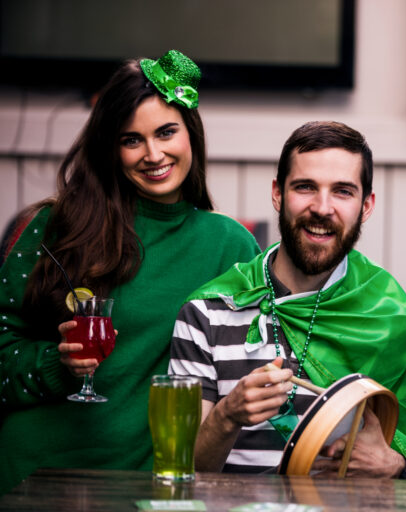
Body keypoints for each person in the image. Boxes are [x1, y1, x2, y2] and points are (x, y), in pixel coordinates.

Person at [0, 50, 259, 493]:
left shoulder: (230, 245)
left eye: (166, 132)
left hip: (145, 482)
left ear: (190, 133)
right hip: (32, 475)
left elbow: (258, 361)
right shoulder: (53, 226)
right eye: (131, 139)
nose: (153, 154)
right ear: (110, 148)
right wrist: (56, 364)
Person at [169, 120, 406, 480]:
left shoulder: (388, 314)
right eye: (305, 187)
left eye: (343, 192)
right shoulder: (206, 313)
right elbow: (181, 470)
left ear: (366, 206)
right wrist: (228, 416)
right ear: (277, 193)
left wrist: (396, 466)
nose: (322, 208)